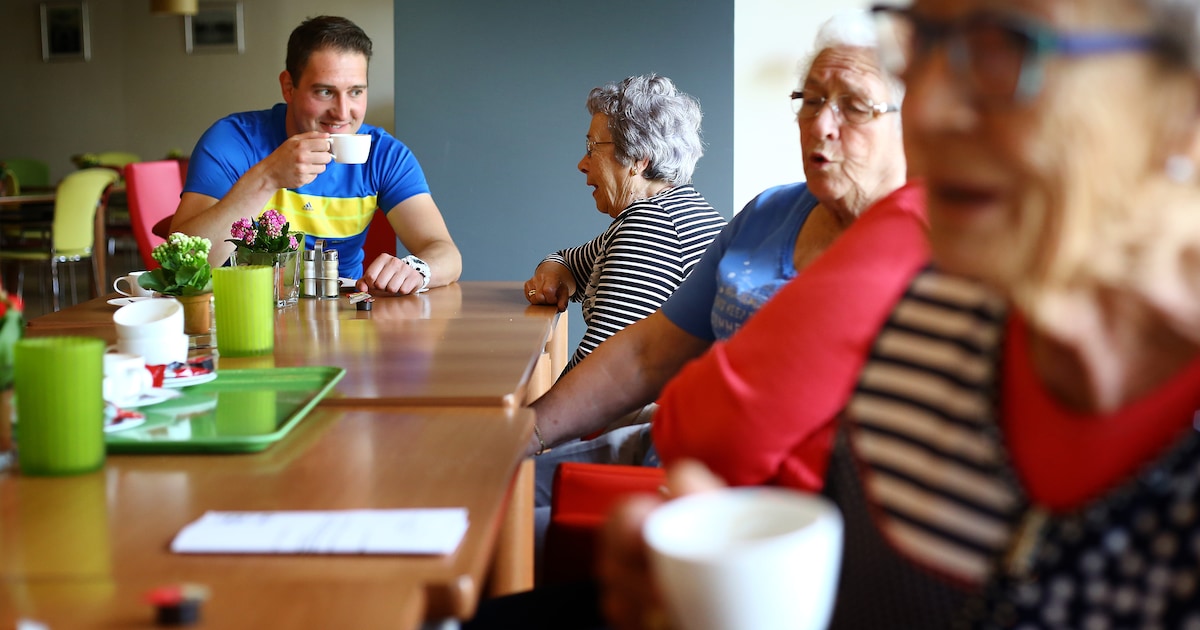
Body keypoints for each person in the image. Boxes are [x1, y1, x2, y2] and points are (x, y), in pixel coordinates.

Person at [604, 0, 1200, 627]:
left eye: (1003, 49)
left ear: (1178, 109)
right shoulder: (921, 334)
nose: (930, 109)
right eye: (921, 50)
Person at [526, 10, 908, 486]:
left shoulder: (920, 249)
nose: (820, 124)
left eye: (853, 105)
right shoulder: (766, 212)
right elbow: (643, 352)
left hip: (726, 494)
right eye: (809, 100)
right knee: (492, 488)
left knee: (501, 521)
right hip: (665, 448)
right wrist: (527, 428)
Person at [171, 15, 461, 295]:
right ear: (289, 87)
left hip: (343, 315)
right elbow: (182, 263)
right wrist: (268, 177)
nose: (343, 112)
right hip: (247, 311)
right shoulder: (233, 140)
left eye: (356, 92)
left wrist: (418, 269)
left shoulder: (385, 154)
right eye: (325, 92)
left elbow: (445, 253)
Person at [524, 74, 726, 374]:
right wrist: (553, 275)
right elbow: (565, 260)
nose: (582, 163)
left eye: (593, 147)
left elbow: (598, 376)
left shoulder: (651, 229)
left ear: (638, 159)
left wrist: (529, 420)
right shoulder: (678, 209)